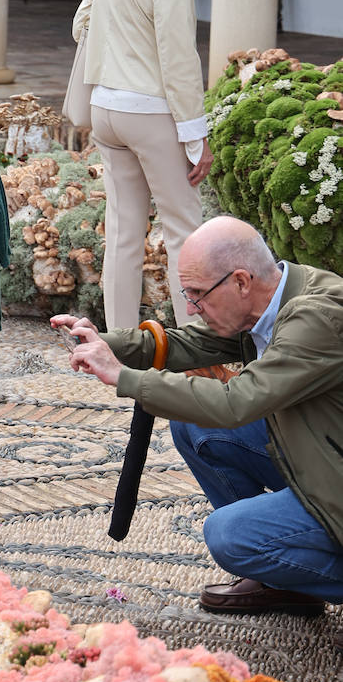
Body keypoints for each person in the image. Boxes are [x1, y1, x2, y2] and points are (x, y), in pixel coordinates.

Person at [53, 216, 343, 638]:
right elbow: (189, 343)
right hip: (321, 454)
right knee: (194, 428)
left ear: (241, 281)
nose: (190, 307)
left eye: (197, 295)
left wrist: (123, 377)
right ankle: (286, 582)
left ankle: (295, 565)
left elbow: (235, 402)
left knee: (230, 536)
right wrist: (104, 343)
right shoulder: (269, 299)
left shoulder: (315, 317)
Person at [72, 0, 215, 331]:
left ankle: (119, 348)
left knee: (123, 234)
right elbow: (179, 62)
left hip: (106, 111)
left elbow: (81, 24)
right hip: (149, 113)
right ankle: (197, 351)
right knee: (185, 233)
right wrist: (197, 136)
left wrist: (119, 47)